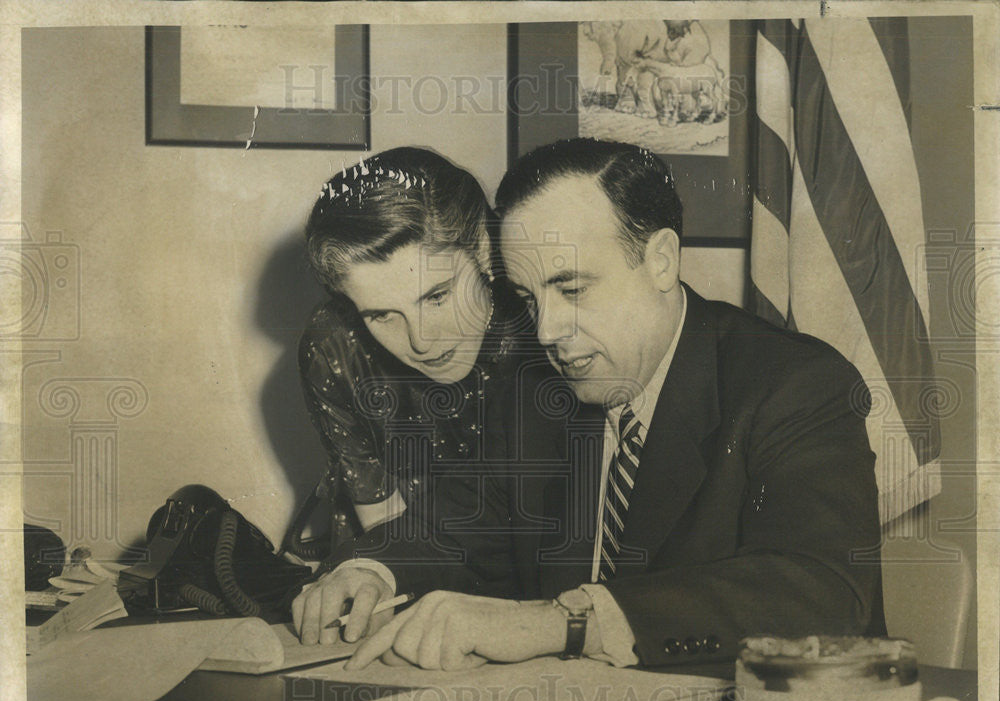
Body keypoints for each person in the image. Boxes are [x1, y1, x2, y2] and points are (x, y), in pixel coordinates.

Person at [345, 138, 886, 671]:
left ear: (660, 260)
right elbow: (460, 527)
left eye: (573, 289)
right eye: (530, 299)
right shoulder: (539, 393)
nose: (548, 330)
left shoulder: (792, 382)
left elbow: (821, 591)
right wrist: (372, 572)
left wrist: (566, 622)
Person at [291, 147, 550, 647]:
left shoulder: (549, 322)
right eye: (381, 315)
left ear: (482, 247)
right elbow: (392, 546)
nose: (422, 341)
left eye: (436, 296)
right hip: (400, 555)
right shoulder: (335, 345)